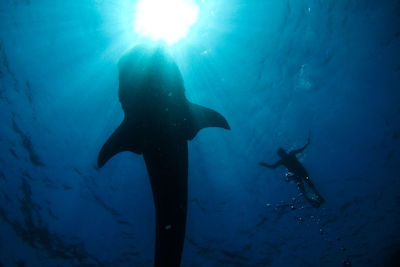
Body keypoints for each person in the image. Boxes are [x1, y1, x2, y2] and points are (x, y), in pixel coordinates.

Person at [259, 138, 324, 207]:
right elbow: (273, 167)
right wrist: (264, 165)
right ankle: (314, 200)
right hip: (299, 173)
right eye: (281, 154)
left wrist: (307, 144)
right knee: (305, 187)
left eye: (281, 154)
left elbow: (273, 167)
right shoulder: (288, 156)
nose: (282, 155)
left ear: (283, 153)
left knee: (307, 186)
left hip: (299, 173)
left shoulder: (286, 157)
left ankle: (316, 199)